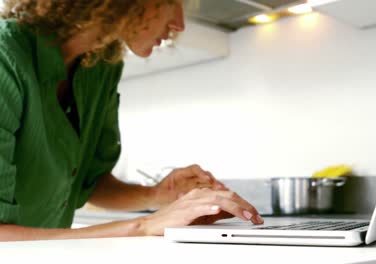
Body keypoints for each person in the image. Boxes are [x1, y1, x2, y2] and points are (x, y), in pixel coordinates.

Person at [0, 0, 263, 241]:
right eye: (171, 2)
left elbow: (87, 183)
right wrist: (144, 225)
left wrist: (159, 196)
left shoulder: (102, 66)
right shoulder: (6, 57)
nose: (179, 24)